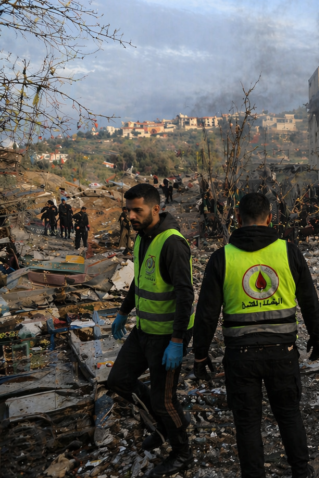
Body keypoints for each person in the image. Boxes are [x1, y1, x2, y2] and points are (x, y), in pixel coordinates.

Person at [192, 192, 319, 478]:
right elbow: (309, 300)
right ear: (270, 218)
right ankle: (301, 472)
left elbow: (206, 314)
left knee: (247, 424)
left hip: (240, 358)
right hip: (283, 353)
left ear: (238, 219)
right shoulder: (289, 252)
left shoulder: (222, 258)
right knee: (289, 415)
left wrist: (200, 354)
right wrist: (317, 336)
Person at [106, 183, 196, 476]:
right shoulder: (143, 238)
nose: (130, 216)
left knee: (164, 399)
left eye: (137, 210)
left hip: (168, 334)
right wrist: (123, 312)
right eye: (128, 210)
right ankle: (165, 425)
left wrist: (177, 341)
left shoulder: (172, 243)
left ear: (156, 209)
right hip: (144, 329)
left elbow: (185, 295)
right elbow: (141, 280)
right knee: (118, 380)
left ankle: (182, 453)